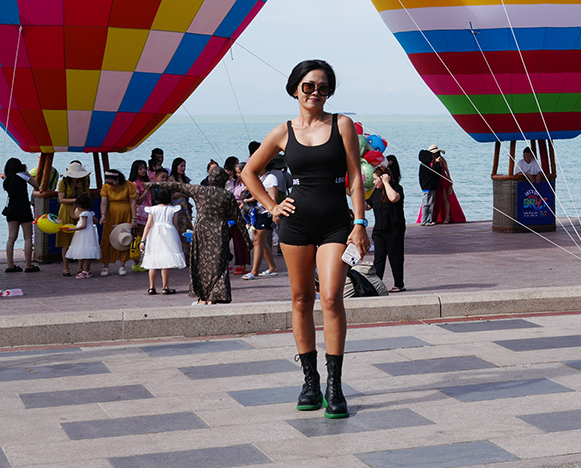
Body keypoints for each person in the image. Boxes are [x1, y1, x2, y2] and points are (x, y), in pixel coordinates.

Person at [241, 60, 370, 420]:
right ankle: (310, 382)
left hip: (335, 223)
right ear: (295, 88)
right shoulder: (282, 132)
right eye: (309, 86)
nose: (315, 92)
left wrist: (359, 222)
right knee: (301, 299)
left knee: (330, 298)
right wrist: (271, 206)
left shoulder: (342, 124)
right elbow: (249, 172)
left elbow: (356, 178)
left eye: (323, 87)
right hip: (295, 226)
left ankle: (335, 385)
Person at [156, 179, 240, 305]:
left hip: (202, 231)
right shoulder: (225, 195)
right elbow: (237, 216)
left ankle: (203, 298)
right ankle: (212, 297)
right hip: (218, 232)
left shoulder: (200, 193)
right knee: (217, 266)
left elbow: (177, 185)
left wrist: (154, 184)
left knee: (202, 265)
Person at [369, 155, 406, 292]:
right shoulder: (375, 192)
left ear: (383, 178)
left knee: (395, 257)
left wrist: (386, 183)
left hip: (394, 229)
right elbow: (368, 205)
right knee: (379, 258)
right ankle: (377, 285)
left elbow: (394, 198)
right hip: (379, 230)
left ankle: (399, 284)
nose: (374, 183)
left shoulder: (396, 188)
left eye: (375, 180)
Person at [140, 186, 186, 295]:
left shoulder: (153, 209)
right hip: (169, 233)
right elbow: (175, 224)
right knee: (166, 260)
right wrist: (178, 237)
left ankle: (152, 287)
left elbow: (148, 225)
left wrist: (143, 240)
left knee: (153, 260)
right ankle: (165, 287)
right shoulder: (173, 209)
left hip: (155, 234)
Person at [0, 158, 37, 272]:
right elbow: (36, 184)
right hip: (24, 208)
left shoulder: (6, 181)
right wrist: (27, 173)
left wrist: (5, 177)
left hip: (11, 210)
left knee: (11, 237)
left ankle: (10, 265)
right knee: (28, 237)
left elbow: (11, 186)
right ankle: (28, 265)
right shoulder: (23, 176)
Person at [56, 161, 91, 276]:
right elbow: (62, 199)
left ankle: (80, 267)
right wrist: (77, 200)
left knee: (80, 239)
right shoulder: (63, 183)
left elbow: (87, 194)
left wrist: (82, 203)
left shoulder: (84, 181)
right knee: (65, 240)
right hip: (66, 211)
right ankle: (66, 267)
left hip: (80, 211)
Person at [99, 167, 135, 277]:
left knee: (124, 238)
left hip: (126, 213)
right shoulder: (106, 187)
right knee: (107, 239)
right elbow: (104, 203)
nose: (111, 185)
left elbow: (133, 202)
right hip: (111, 214)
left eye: (113, 182)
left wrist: (134, 218)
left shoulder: (129, 185)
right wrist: (103, 214)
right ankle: (105, 266)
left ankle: (122, 265)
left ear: (118, 179)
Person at [65, 193, 100, 278]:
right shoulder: (90, 213)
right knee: (87, 253)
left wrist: (73, 229)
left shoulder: (84, 214)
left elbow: (83, 225)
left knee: (85, 253)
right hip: (89, 233)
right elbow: (96, 221)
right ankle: (87, 270)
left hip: (84, 234)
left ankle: (86, 271)